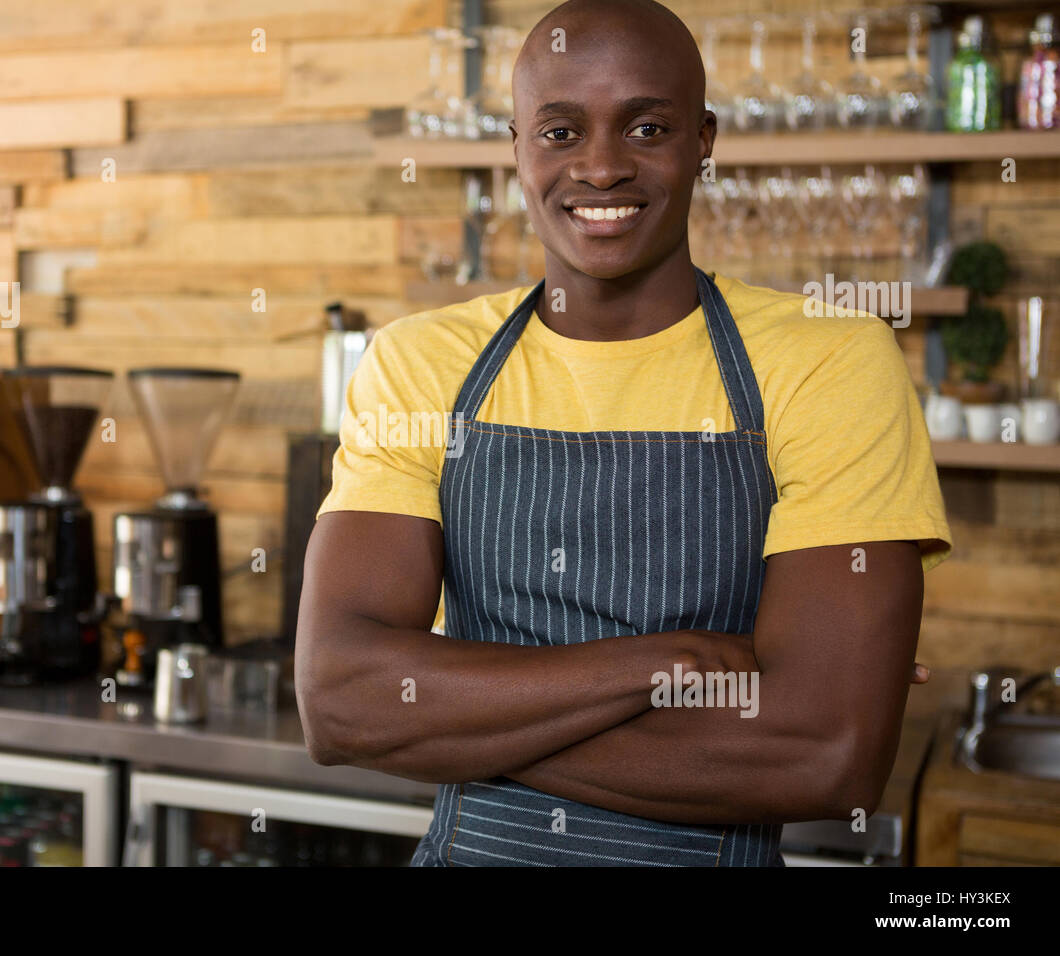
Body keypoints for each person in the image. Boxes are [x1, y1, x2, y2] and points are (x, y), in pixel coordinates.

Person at [295, 0, 952, 866]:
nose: (601, 169)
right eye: (560, 132)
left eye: (646, 127)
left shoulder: (831, 361)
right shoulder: (420, 363)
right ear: (516, 148)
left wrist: (454, 720)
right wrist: (662, 665)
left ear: (705, 140)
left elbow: (827, 753)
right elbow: (340, 704)